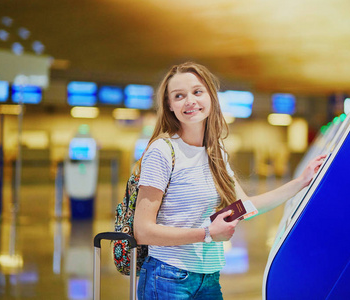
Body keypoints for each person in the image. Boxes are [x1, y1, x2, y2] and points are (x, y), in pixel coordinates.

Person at [133, 62, 326, 299]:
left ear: (211, 97)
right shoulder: (162, 151)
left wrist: (301, 182)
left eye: (197, 91)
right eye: (179, 96)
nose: (190, 101)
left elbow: (244, 207)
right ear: (170, 106)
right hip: (167, 277)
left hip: (209, 277)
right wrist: (206, 233)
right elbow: (142, 231)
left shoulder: (216, 153)